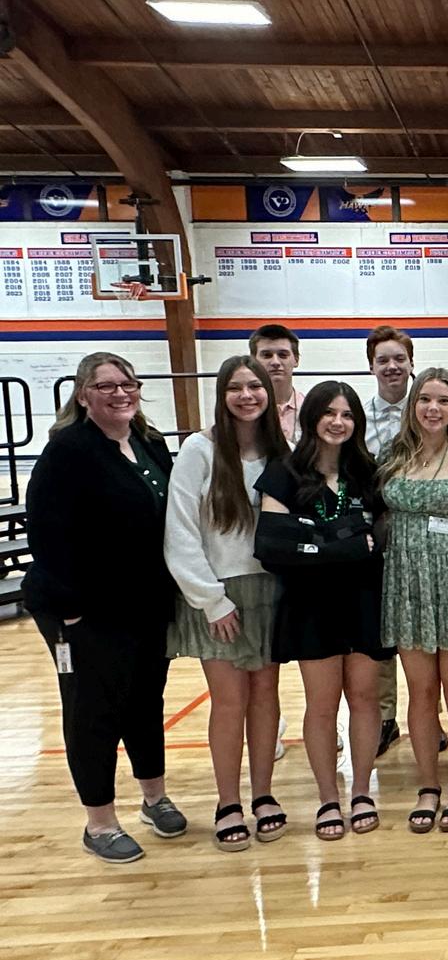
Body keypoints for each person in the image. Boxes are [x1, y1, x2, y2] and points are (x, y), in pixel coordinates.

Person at [24, 353, 186, 864]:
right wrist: (70, 611)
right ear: (83, 395)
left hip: (145, 602)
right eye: (106, 386)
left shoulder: (149, 441)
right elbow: (46, 534)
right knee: (93, 711)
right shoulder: (68, 450)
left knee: (145, 701)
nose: (120, 393)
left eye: (127, 384)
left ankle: (154, 798)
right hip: (84, 610)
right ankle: (100, 822)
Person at [254, 381, 391, 841]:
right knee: (322, 704)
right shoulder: (284, 472)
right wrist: (342, 545)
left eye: (347, 414)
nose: (338, 422)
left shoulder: (368, 473)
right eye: (329, 413)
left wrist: (312, 539)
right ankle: (328, 798)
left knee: (365, 698)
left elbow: (378, 540)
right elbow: (273, 548)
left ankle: (362, 791)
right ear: (311, 417)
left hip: (363, 600)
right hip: (311, 605)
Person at [164, 356, 290, 852]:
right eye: (235, 387)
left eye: (254, 386)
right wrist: (211, 600)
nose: (246, 395)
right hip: (220, 593)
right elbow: (180, 532)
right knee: (230, 700)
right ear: (222, 395)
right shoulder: (199, 449)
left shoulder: (282, 450)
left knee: (266, 696)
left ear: (268, 393)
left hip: (270, 590)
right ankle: (228, 802)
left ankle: (263, 795)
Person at [378, 368, 448, 834]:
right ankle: (427, 786)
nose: (433, 408)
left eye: (443, 400)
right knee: (420, 692)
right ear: (413, 405)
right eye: (425, 399)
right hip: (407, 584)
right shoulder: (392, 454)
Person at [364, 325, 415, 758]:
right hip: (378, 538)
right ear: (371, 366)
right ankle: (384, 717)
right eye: (383, 360)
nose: (392, 366)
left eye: (399, 358)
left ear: (411, 363)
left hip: (426, 540)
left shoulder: (430, 409)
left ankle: (430, 717)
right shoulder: (358, 419)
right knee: (383, 632)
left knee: (425, 634)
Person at [249, 323, 304, 445]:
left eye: (283, 355)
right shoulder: (245, 409)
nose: (275, 362)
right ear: (253, 360)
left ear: (296, 359)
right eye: (267, 355)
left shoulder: (310, 408)